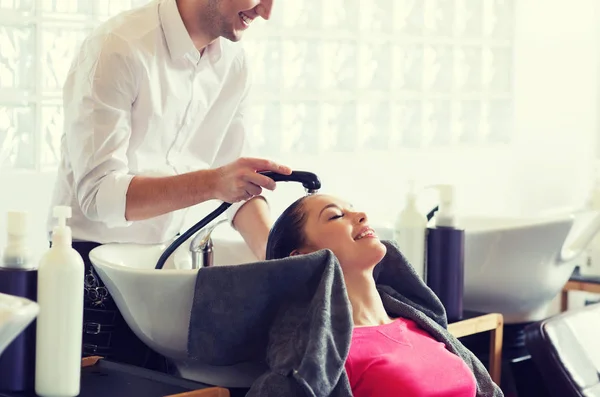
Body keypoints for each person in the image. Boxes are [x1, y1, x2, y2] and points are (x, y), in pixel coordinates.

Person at [47, 0, 288, 369]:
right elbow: (100, 196)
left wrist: (279, 260)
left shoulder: (234, 65)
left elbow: (235, 191)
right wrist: (212, 183)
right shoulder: (117, 47)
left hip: (173, 278)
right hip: (95, 277)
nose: (266, 12)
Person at [265, 194, 502, 397]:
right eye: (336, 215)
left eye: (353, 208)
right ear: (301, 257)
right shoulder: (325, 359)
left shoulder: (418, 324)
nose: (361, 215)